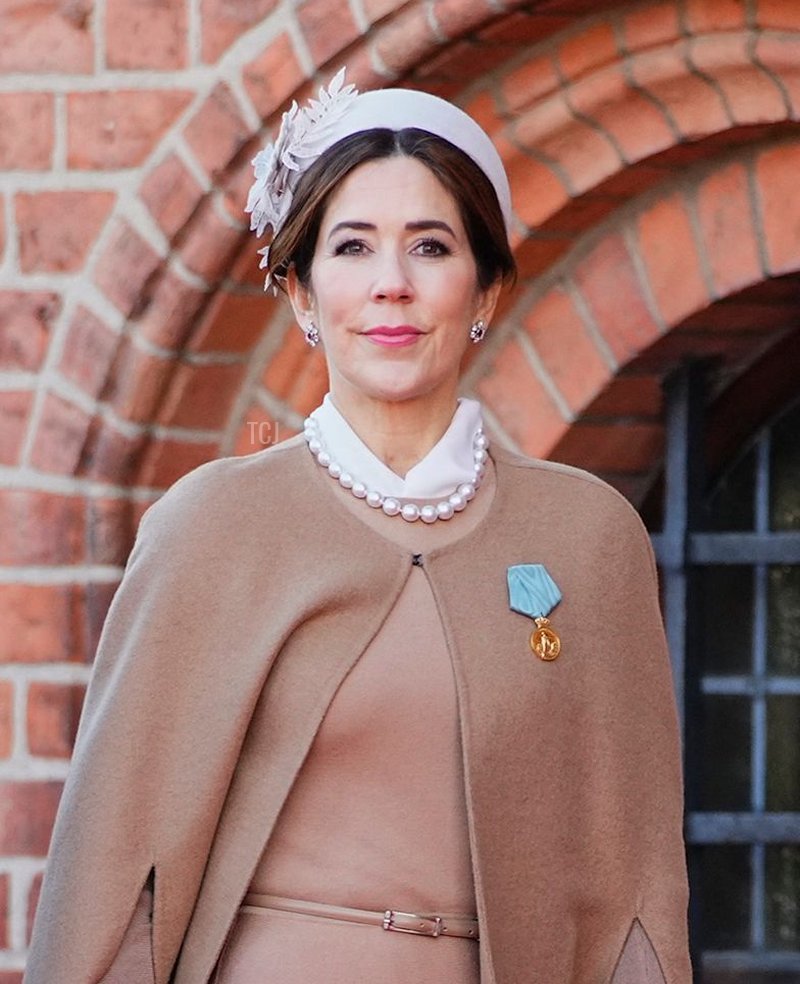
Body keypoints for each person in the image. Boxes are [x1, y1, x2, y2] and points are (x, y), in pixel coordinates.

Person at [24, 69, 692, 984]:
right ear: (301, 295)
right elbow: (116, 875)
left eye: (429, 246)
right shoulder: (212, 527)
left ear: (487, 290)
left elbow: (637, 891)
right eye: (351, 248)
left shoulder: (590, 537)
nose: (390, 286)